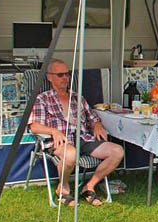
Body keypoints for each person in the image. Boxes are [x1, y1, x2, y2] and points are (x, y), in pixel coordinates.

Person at [29, 59, 123, 206]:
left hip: (83, 137)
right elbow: (34, 126)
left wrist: (97, 124)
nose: (65, 78)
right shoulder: (43, 99)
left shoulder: (77, 97)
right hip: (61, 140)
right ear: (49, 77)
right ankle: (63, 188)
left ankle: (89, 185)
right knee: (71, 154)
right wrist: (53, 131)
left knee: (117, 151)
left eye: (67, 74)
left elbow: (92, 117)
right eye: (60, 75)